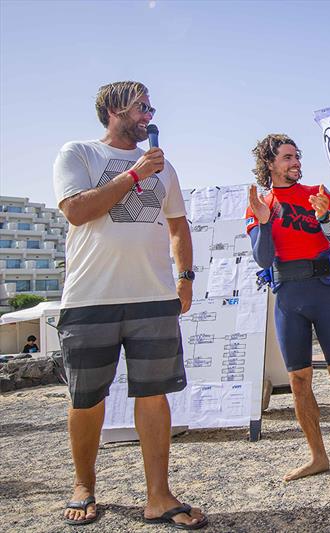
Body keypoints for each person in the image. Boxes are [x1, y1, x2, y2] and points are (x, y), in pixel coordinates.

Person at [53, 81, 206, 529]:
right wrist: (135, 174)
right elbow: (78, 211)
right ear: (114, 108)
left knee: (153, 396)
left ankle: (158, 496)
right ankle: (84, 485)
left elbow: (178, 226)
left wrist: (185, 277)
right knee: (86, 398)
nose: (149, 114)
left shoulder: (166, 167)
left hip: (154, 297)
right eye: (141, 107)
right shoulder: (78, 153)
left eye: (150, 107)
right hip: (89, 298)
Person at [246, 134, 330, 487]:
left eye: (297, 155)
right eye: (287, 157)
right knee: (299, 381)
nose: (295, 162)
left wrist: (324, 215)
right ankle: (318, 456)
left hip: (324, 292)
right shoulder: (261, 202)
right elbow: (263, 258)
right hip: (288, 296)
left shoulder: (316, 191)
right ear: (269, 163)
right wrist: (265, 221)